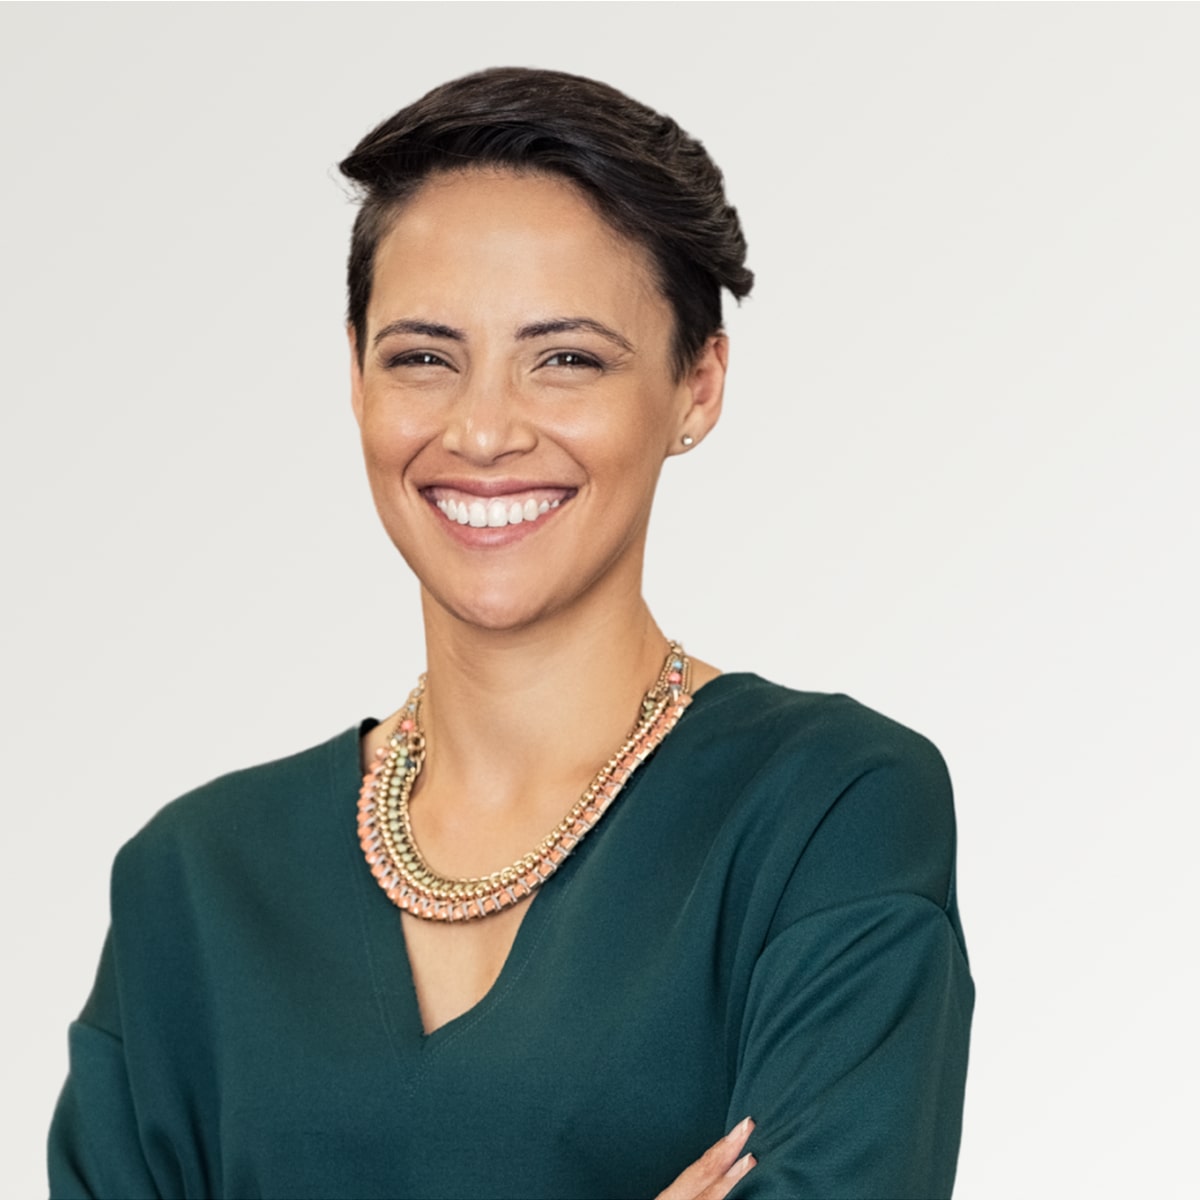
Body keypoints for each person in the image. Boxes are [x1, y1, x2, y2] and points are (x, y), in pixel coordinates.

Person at [48, 67, 973, 1199]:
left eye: (568, 358)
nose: (483, 430)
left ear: (698, 383)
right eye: (424, 357)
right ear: (355, 377)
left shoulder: (827, 814)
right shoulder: (191, 887)